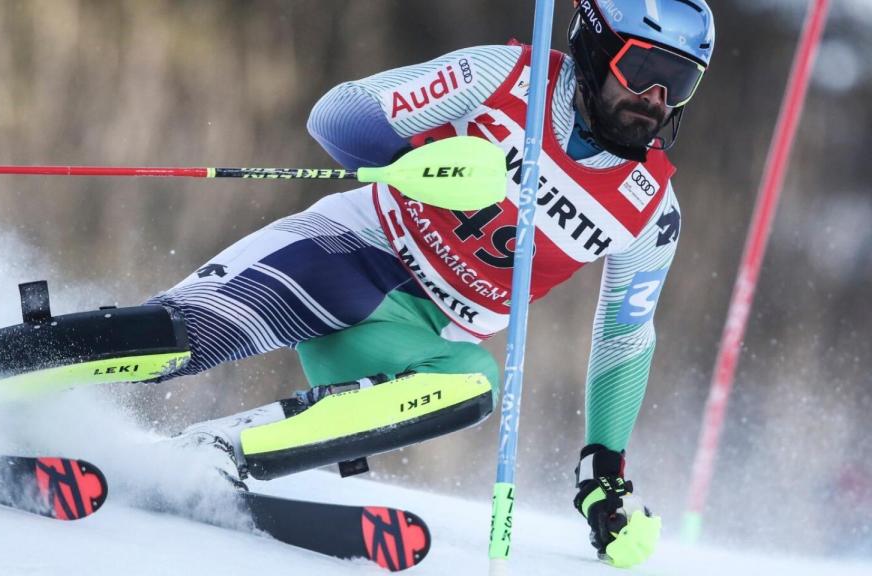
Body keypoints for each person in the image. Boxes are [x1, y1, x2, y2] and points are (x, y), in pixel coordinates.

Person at [147, 0, 715, 566]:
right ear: (597, 48)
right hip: (346, 252)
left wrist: (603, 476)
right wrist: (422, 165)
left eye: (679, 82)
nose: (657, 99)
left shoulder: (650, 212)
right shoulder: (510, 76)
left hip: (410, 340)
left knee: (476, 384)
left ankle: (218, 452)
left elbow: (625, 338)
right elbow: (339, 113)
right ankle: (62, 350)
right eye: (644, 71)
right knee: (171, 340)